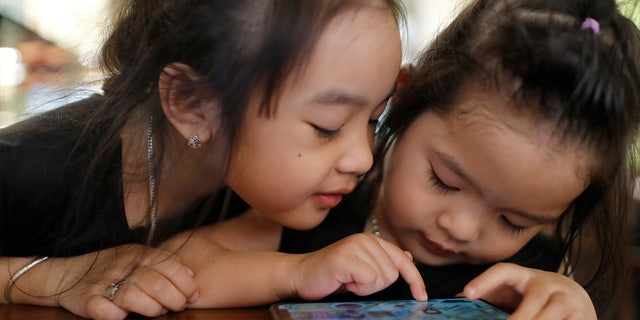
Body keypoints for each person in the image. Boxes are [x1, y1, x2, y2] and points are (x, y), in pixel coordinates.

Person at [181, 0, 640, 318]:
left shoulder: (530, 277)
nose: (461, 228)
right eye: (444, 181)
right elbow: (179, 263)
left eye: (515, 221)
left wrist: (572, 302)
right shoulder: (322, 208)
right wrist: (297, 272)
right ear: (404, 101)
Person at [0, 1, 428, 319]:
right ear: (193, 104)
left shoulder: (262, 194)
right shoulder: (31, 166)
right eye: (327, 126)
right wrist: (48, 278)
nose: (362, 159)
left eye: (374, 118)